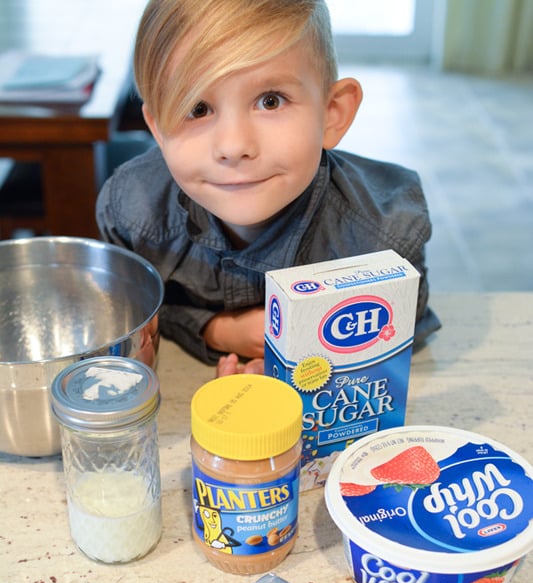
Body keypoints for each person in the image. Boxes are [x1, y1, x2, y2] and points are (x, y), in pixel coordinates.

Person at [97, 0, 440, 376]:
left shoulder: (384, 238)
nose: (233, 146)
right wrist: (217, 331)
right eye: (197, 108)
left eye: (270, 101)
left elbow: (401, 327)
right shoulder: (131, 211)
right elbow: (136, 311)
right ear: (157, 128)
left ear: (332, 113)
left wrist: (301, 357)